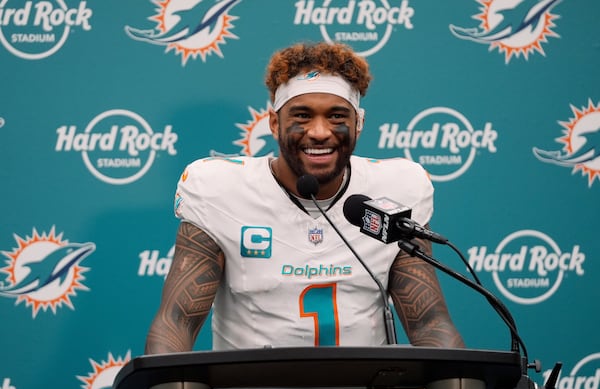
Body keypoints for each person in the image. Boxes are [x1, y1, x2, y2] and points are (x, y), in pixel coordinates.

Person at [145, 41, 464, 353]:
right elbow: (177, 321)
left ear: (359, 123)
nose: (320, 131)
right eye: (302, 115)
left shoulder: (395, 191)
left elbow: (428, 322)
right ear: (273, 122)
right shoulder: (219, 190)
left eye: (338, 116)